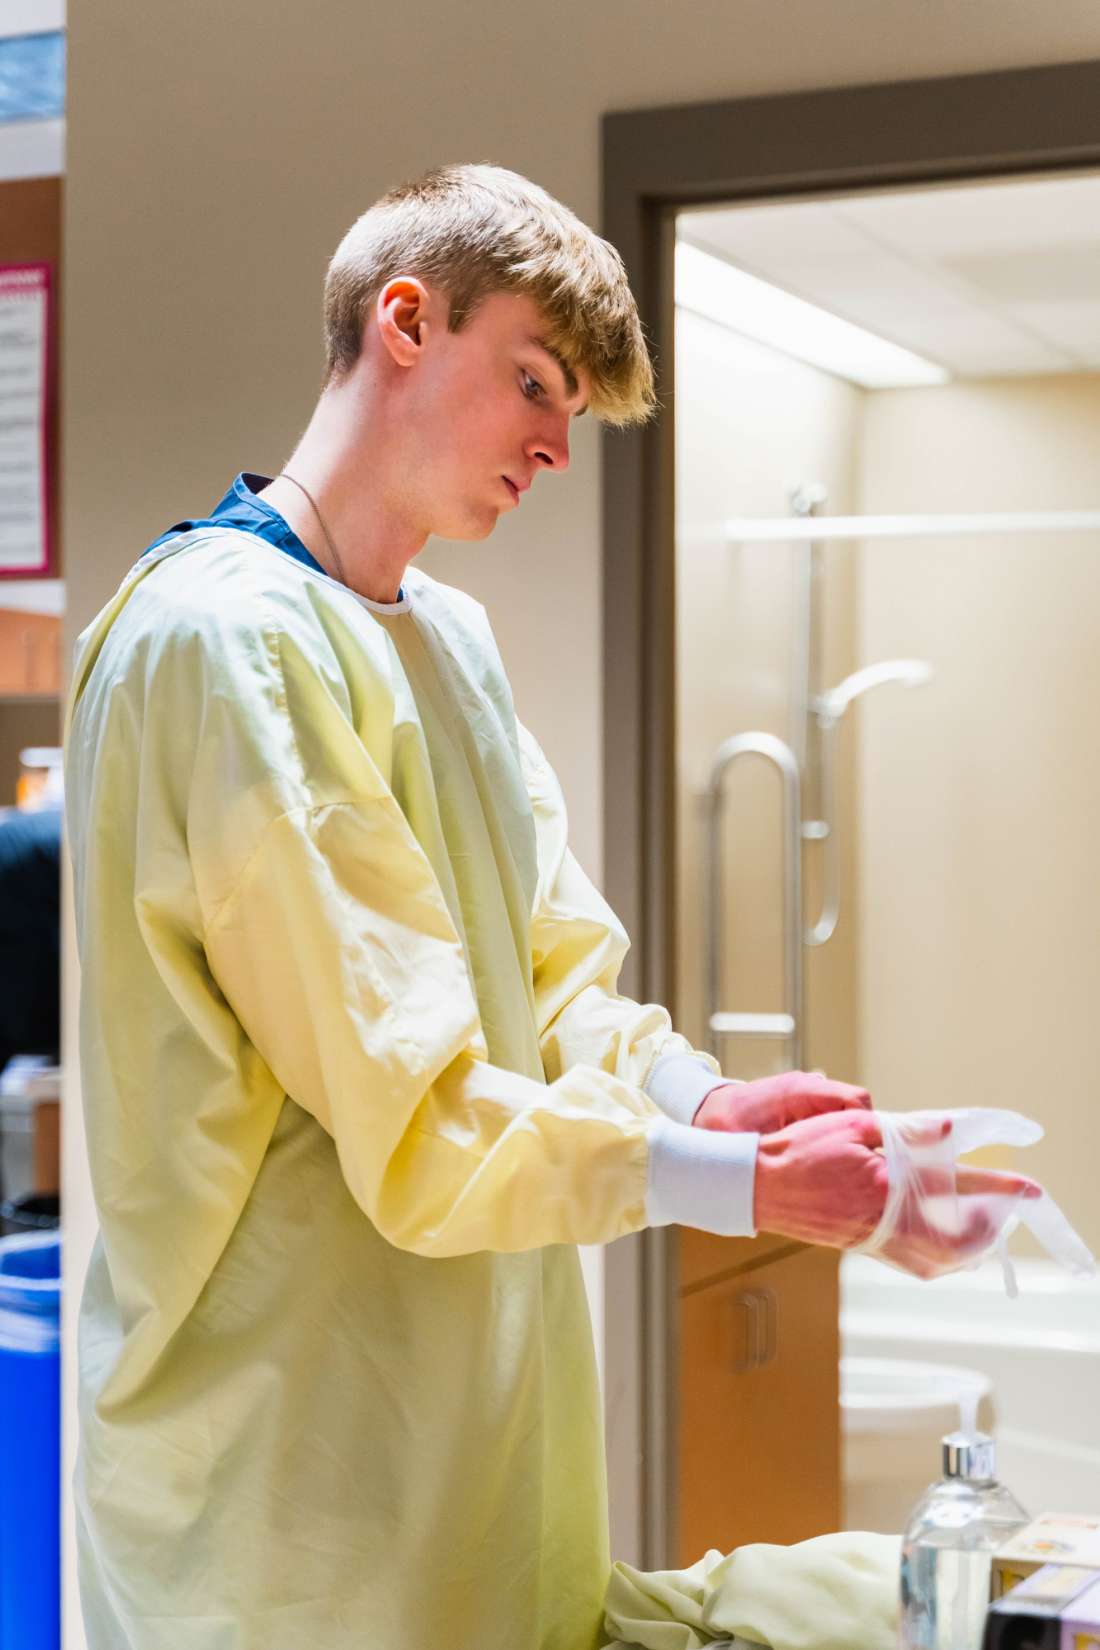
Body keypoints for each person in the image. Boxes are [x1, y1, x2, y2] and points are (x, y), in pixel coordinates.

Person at [63, 162, 1037, 1650]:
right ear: (404, 321)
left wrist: (714, 1106)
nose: (553, 445)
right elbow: (417, 1108)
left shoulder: (444, 642)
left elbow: (557, 973)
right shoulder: (224, 645)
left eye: (571, 410)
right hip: (285, 1494)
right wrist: (747, 1191)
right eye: (535, 380)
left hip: (477, 1456)